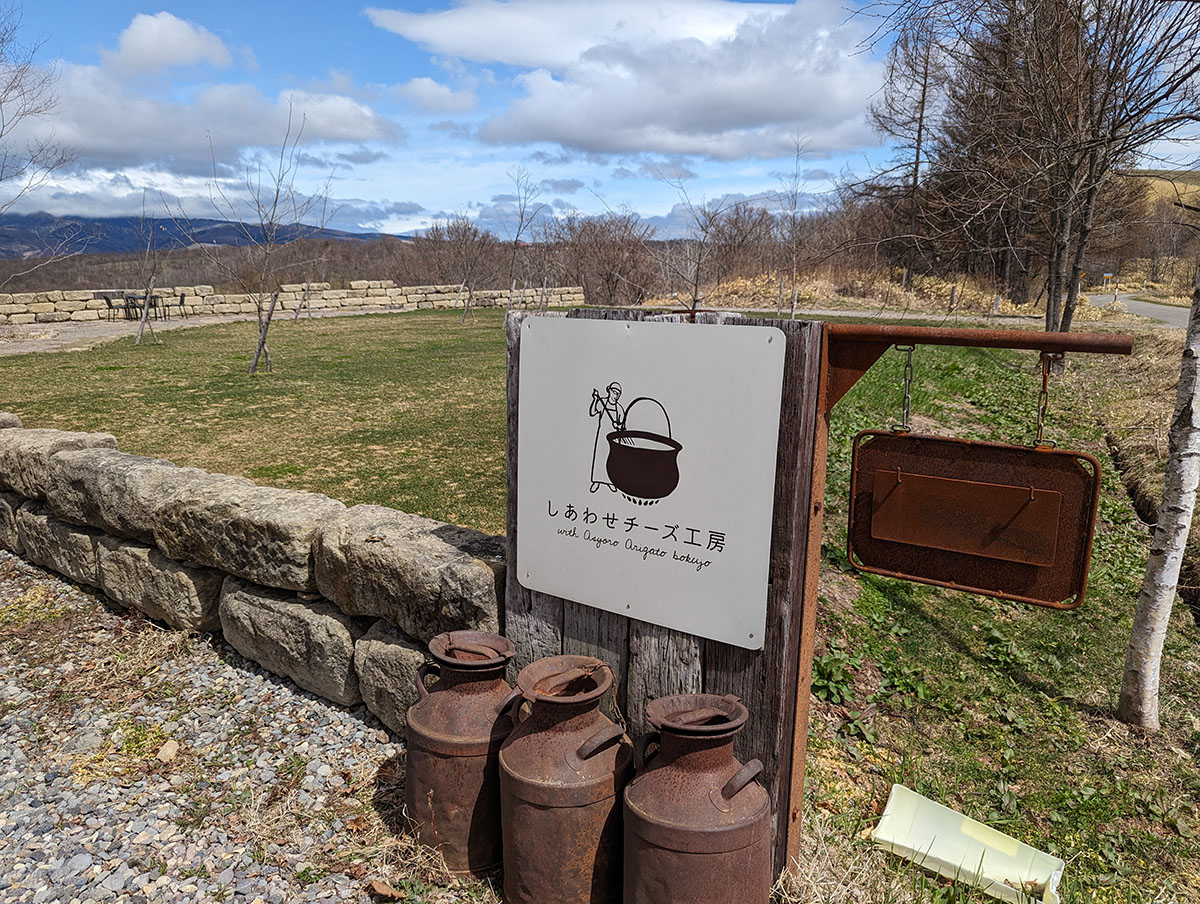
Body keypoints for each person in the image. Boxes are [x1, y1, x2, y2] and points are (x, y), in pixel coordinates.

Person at [589, 381, 626, 492]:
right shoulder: (603, 402)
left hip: (614, 439)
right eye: (614, 392)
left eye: (618, 394)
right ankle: (596, 481)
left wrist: (618, 425)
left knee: (612, 460)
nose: (616, 395)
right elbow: (592, 412)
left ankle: (611, 481)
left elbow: (623, 426)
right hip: (602, 436)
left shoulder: (619, 408)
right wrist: (595, 399)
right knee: (600, 458)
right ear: (609, 391)